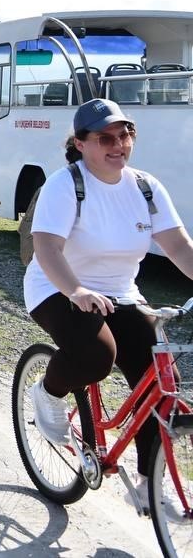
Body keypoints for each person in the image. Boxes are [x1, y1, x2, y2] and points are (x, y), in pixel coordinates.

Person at [25, 98, 193, 512]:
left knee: (160, 382)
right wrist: (76, 291)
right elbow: (45, 247)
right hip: (57, 286)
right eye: (106, 138)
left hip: (120, 293)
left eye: (125, 135)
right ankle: (48, 392)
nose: (118, 145)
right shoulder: (66, 184)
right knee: (98, 356)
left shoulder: (145, 186)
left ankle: (148, 482)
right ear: (81, 144)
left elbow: (178, 245)